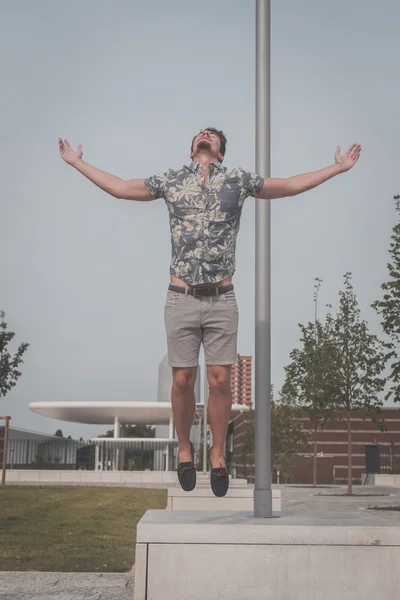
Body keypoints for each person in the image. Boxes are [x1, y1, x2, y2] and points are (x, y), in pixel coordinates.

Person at [59, 128, 361, 496]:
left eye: (213, 135)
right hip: (180, 296)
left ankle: (218, 455)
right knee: (183, 380)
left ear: (219, 152)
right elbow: (122, 187)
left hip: (222, 298)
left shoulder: (237, 180)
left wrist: (336, 169)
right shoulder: (170, 180)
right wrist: (78, 164)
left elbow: (289, 185)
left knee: (219, 380)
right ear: (192, 148)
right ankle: (185, 449)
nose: (205, 135)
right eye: (200, 133)